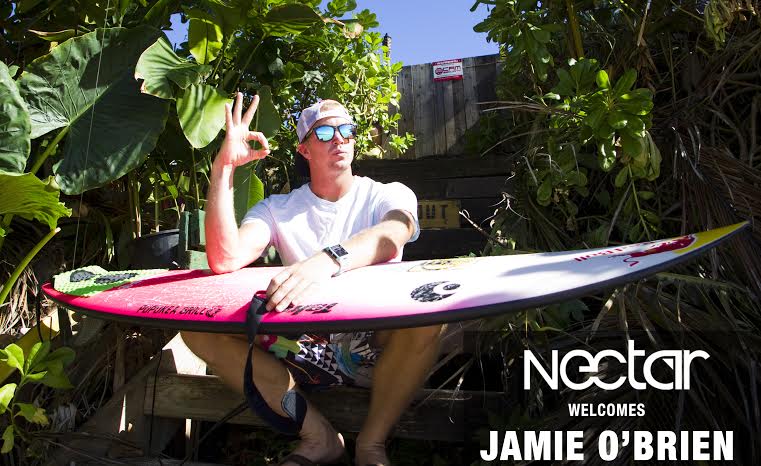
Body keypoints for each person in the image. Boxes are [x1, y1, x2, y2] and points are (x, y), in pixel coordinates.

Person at [180, 93, 444, 466]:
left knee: (430, 319)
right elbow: (226, 257)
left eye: (346, 129)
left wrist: (326, 261)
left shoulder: (388, 194)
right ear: (304, 149)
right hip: (304, 350)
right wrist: (223, 168)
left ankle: (370, 445)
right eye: (324, 132)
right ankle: (319, 437)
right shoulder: (277, 209)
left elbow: (393, 232)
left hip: (377, 349)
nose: (339, 138)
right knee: (196, 330)